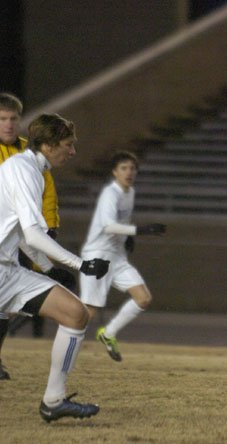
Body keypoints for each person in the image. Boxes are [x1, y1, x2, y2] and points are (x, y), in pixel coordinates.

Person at [0, 113, 110, 421]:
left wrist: (46, 268)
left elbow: (20, 233)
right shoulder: (24, 170)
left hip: (4, 271)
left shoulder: (29, 169)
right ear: (48, 145)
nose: (72, 152)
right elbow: (32, 233)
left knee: (75, 313)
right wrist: (80, 264)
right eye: (68, 144)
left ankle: (53, 401)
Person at [0, 92, 71, 380]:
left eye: (14, 119)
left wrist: (50, 227)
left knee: (8, 296)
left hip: (23, 237)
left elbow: (47, 195)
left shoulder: (31, 155)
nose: (9, 125)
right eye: (3, 119)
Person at [80, 150, 166, 362]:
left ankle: (108, 334)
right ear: (114, 172)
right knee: (88, 312)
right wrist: (140, 231)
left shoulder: (130, 192)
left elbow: (121, 223)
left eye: (132, 168)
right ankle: (64, 346)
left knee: (143, 298)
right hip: (98, 255)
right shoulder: (111, 193)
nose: (129, 172)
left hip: (117, 257)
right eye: (123, 168)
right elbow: (109, 226)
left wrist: (128, 237)